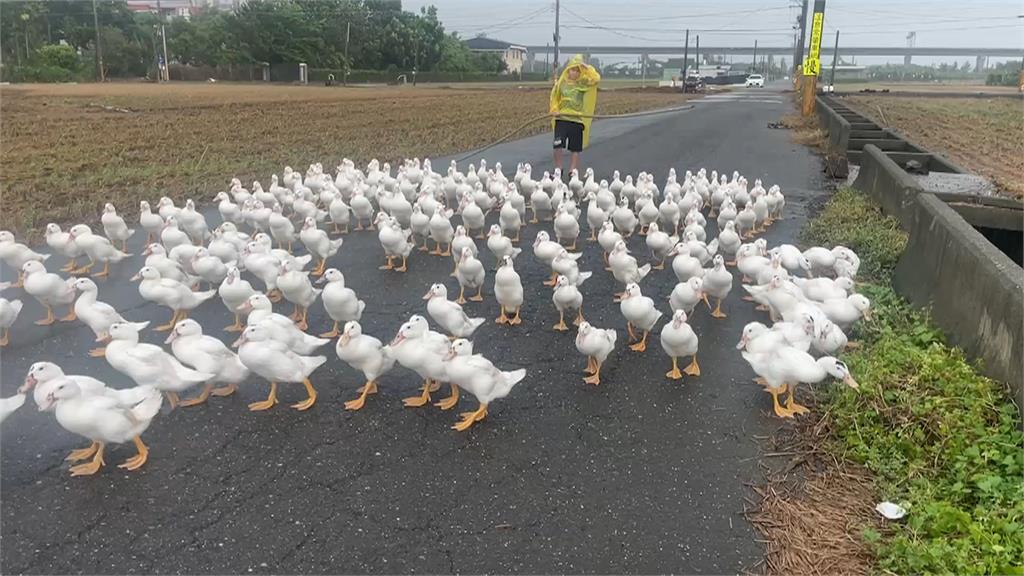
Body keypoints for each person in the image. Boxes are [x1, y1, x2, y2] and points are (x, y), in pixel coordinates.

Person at [549, 54, 601, 175]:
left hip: (577, 120)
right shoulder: (561, 83)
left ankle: (572, 170)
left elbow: (596, 79)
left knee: (575, 148)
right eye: (573, 69)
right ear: (568, 70)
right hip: (562, 119)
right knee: (557, 144)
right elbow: (554, 97)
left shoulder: (583, 82)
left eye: (578, 70)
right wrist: (554, 109)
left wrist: (586, 67)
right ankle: (558, 169)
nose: (575, 73)